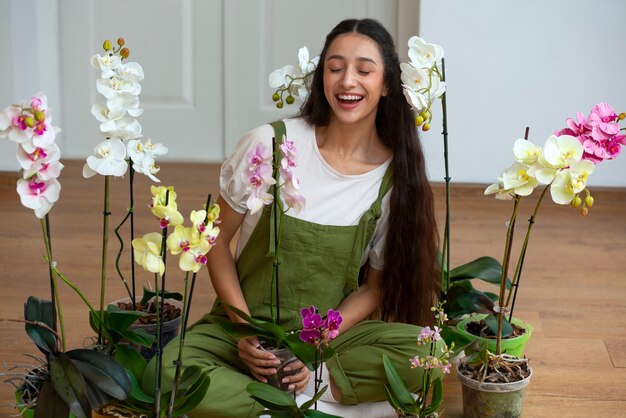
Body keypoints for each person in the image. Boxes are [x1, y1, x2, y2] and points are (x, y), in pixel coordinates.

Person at [145, 18, 441, 417]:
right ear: (321, 78)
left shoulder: (392, 179)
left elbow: (374, 288)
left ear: (387, 84)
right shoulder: (270, 144)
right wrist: (244, 331)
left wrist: (319, 346)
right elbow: (214, 241)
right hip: (243, 331)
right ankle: (295, 406)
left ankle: (304, 391)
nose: (347, 81)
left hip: (322, 348)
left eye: (364, 70)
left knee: (430, 351)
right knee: (163, 373)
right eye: (335, 68)